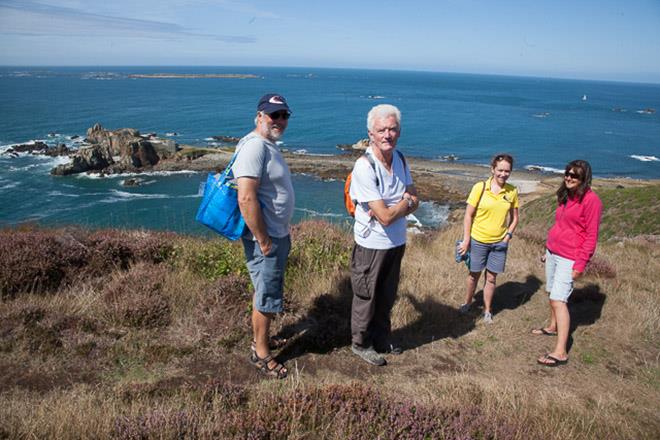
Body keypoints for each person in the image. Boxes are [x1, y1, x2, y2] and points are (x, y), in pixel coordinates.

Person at [349, 104, 419, 366]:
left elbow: (416, 198)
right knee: (367, 295)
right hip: (371, 244)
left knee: (387, 294)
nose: (387, 134)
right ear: (371, 134)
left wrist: (402, 204)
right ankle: (360, 343)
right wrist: (404, 204)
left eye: (392, 129)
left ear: (399, 132)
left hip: (397, 240)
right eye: (382, 130)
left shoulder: (400, 159)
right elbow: (386, 216)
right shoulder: (364, 166)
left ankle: (381, 338)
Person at [234, 93, 295, 379]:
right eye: (274, 115)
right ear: (259, 116)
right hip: (267, 238)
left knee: (267, 292)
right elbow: (246, 198)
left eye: (284, 115)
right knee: (266, 296)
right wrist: (264, 239)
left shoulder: (267, 145)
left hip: (273, 233)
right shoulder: (255, 147)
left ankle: (262, 340)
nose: (280, 120)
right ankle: (261, 354)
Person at [535, 160, 602, 367]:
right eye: (567, 174)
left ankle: (560, 351)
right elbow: (561, 225)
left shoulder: (592, 201)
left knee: (558, 300)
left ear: (584, 179)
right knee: (551, 292)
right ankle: (552, 326)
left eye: (575, 176)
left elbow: (591, 237)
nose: (569, 178)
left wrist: (580, 265)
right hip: (554, 252)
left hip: (570, 258)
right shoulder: (566, 195)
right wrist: (549, 250)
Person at [457, 154, 519, 323]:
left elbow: (515, 218)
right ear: (493, 169)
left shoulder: (512, 190)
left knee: (491, 278)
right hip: (478, 240)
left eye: (507, 171)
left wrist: (507, 236)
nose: (503, 174)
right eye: (500, 170)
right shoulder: (480, 187)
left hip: (499, 243)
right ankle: (468, 302)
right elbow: (468, 215)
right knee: (473, 275)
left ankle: (487, 310)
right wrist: (466, 239)